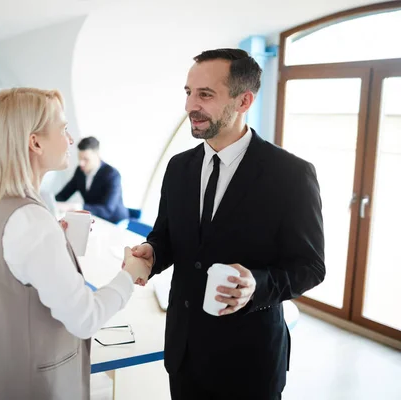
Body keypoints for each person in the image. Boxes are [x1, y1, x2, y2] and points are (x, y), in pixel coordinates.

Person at [131, 49, 325, 399]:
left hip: (249, 364)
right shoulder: (179, 167)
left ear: (244, 100)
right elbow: (166, 237)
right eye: (188, 92)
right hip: (184, 353)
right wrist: (153, 254)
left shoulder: (291, 175)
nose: (191, 105)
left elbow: (310, 266)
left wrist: (257, 286)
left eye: (205, 94)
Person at [0, 88, 151, 399]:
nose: (70, 140)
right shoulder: (31, 222)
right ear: (35, 142)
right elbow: (85, 319)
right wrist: (130, 274)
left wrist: (57, 242)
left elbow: (14, 270)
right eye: (63, 129)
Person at [55, 137, 129, 223]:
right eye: (80, 158)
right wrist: (51, 203)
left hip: (115, 222)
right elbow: (63, 195)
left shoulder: (112, 174)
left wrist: (76, 206)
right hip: (94, 219)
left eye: (86, 159)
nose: (81, 163)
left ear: (97, 155)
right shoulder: (80, 171)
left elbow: (107, 210)